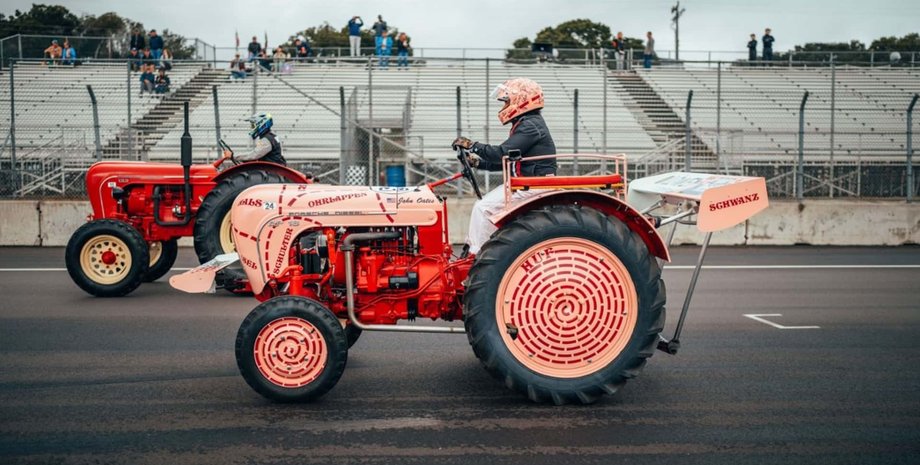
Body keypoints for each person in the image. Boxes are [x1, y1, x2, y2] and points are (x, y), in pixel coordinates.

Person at [451, 78, 556, 257]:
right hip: (525, 184)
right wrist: (477, 163)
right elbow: (506, 161)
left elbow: (501, 153)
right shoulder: (528, 123)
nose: (504, 105)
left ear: (521, 100)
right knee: (484, 208)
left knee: (482, 209)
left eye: (507, 101)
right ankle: (480, 251)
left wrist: (471, 145)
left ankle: (475, 257)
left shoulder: (530, 126)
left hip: (532, 186)